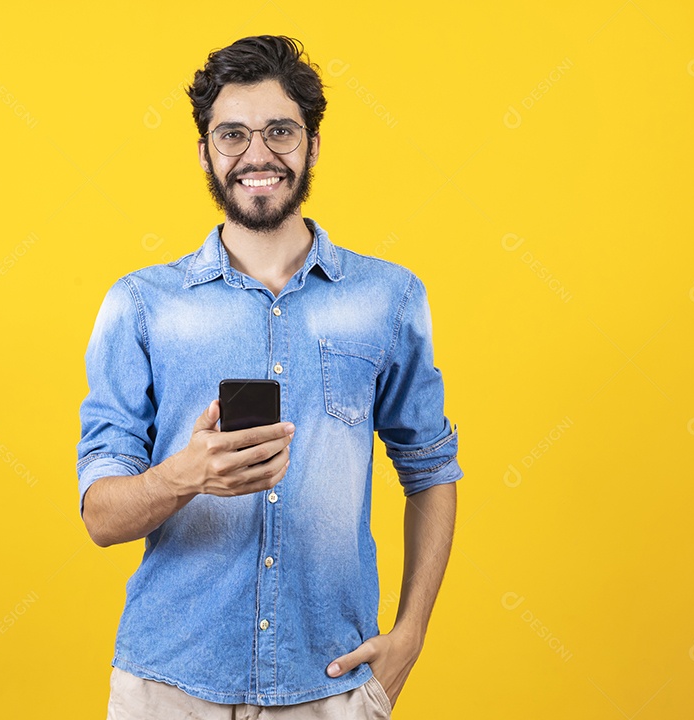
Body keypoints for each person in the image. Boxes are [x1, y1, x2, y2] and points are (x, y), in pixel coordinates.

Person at [77, 35, 462, 719]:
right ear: (205, 154)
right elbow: (100, 519)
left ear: (313, 146)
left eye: (280, 131)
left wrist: (411, 635)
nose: (257, 155)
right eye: (232, 135)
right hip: (168, 688)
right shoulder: (139, 305)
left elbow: (431, 470)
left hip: (328, 685)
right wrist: (183, 475)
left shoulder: (389, 298)